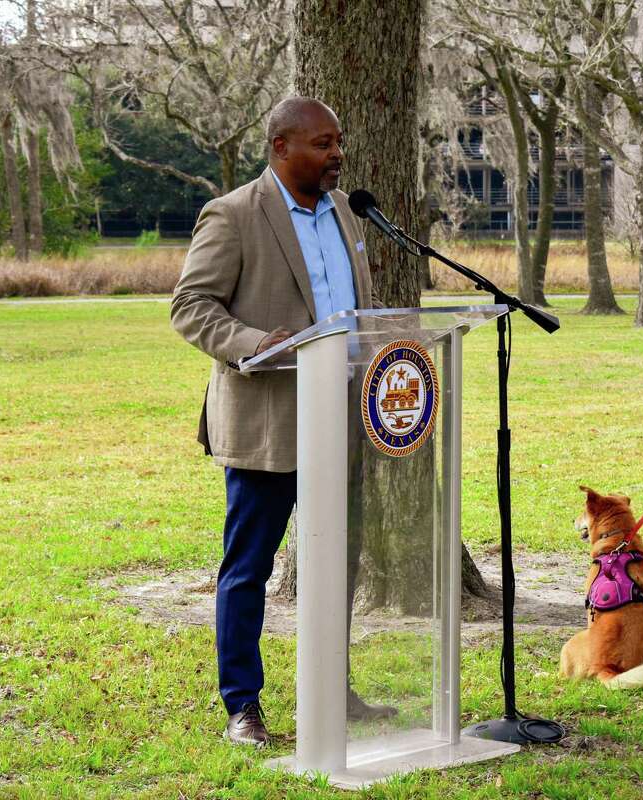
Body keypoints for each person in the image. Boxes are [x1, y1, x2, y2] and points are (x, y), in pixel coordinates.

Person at [170, 96, 392, 747]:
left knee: (340, 561)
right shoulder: (235, 215)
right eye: (323, 144)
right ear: (281, 148)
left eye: (338, 141)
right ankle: (243, 706)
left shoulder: (349, 213)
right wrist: (252, 344)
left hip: (343, 420)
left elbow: (358, 307)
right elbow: (190, 306)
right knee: (249, 569)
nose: (337, 154)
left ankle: (331, 684)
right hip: (270, 424)